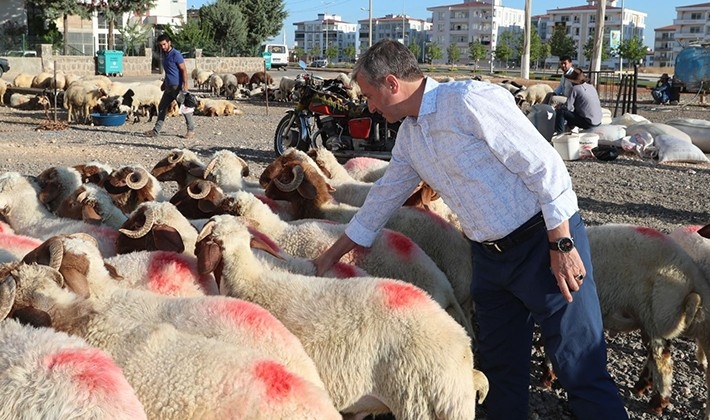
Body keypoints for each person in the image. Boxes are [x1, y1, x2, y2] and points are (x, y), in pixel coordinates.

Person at [313, 39, 628, 420]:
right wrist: (331, 254)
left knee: (578, 361)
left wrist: (561, 244)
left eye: (369, 95)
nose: (369, 106)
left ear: (392, 83)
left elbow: (545, 166)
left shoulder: (467, 101)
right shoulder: (411, 137)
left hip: (542, 243)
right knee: (499, 371)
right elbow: (383, 197)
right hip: (489, 259)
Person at [144, 33, 195, 139]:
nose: (162, 47)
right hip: (169, 87)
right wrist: (164, 83)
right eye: (160, 45)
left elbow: (183, 70)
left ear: (169, 43)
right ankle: (156, 131)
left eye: (164, 44)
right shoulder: (164, 55)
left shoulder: (176, 54)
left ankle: (191, 131)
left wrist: (185, 85)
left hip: (177, 87)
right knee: (161, 107)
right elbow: (168, 71)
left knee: (184, 108)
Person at [554, 68, 602, 134]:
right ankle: (568, 129)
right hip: (597, 121)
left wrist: (560, 106)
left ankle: (559, 134)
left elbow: (568, 107)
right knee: (573, 113)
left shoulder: (575, 88)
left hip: (588, 123)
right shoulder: (591, 87)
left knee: (561, 111)